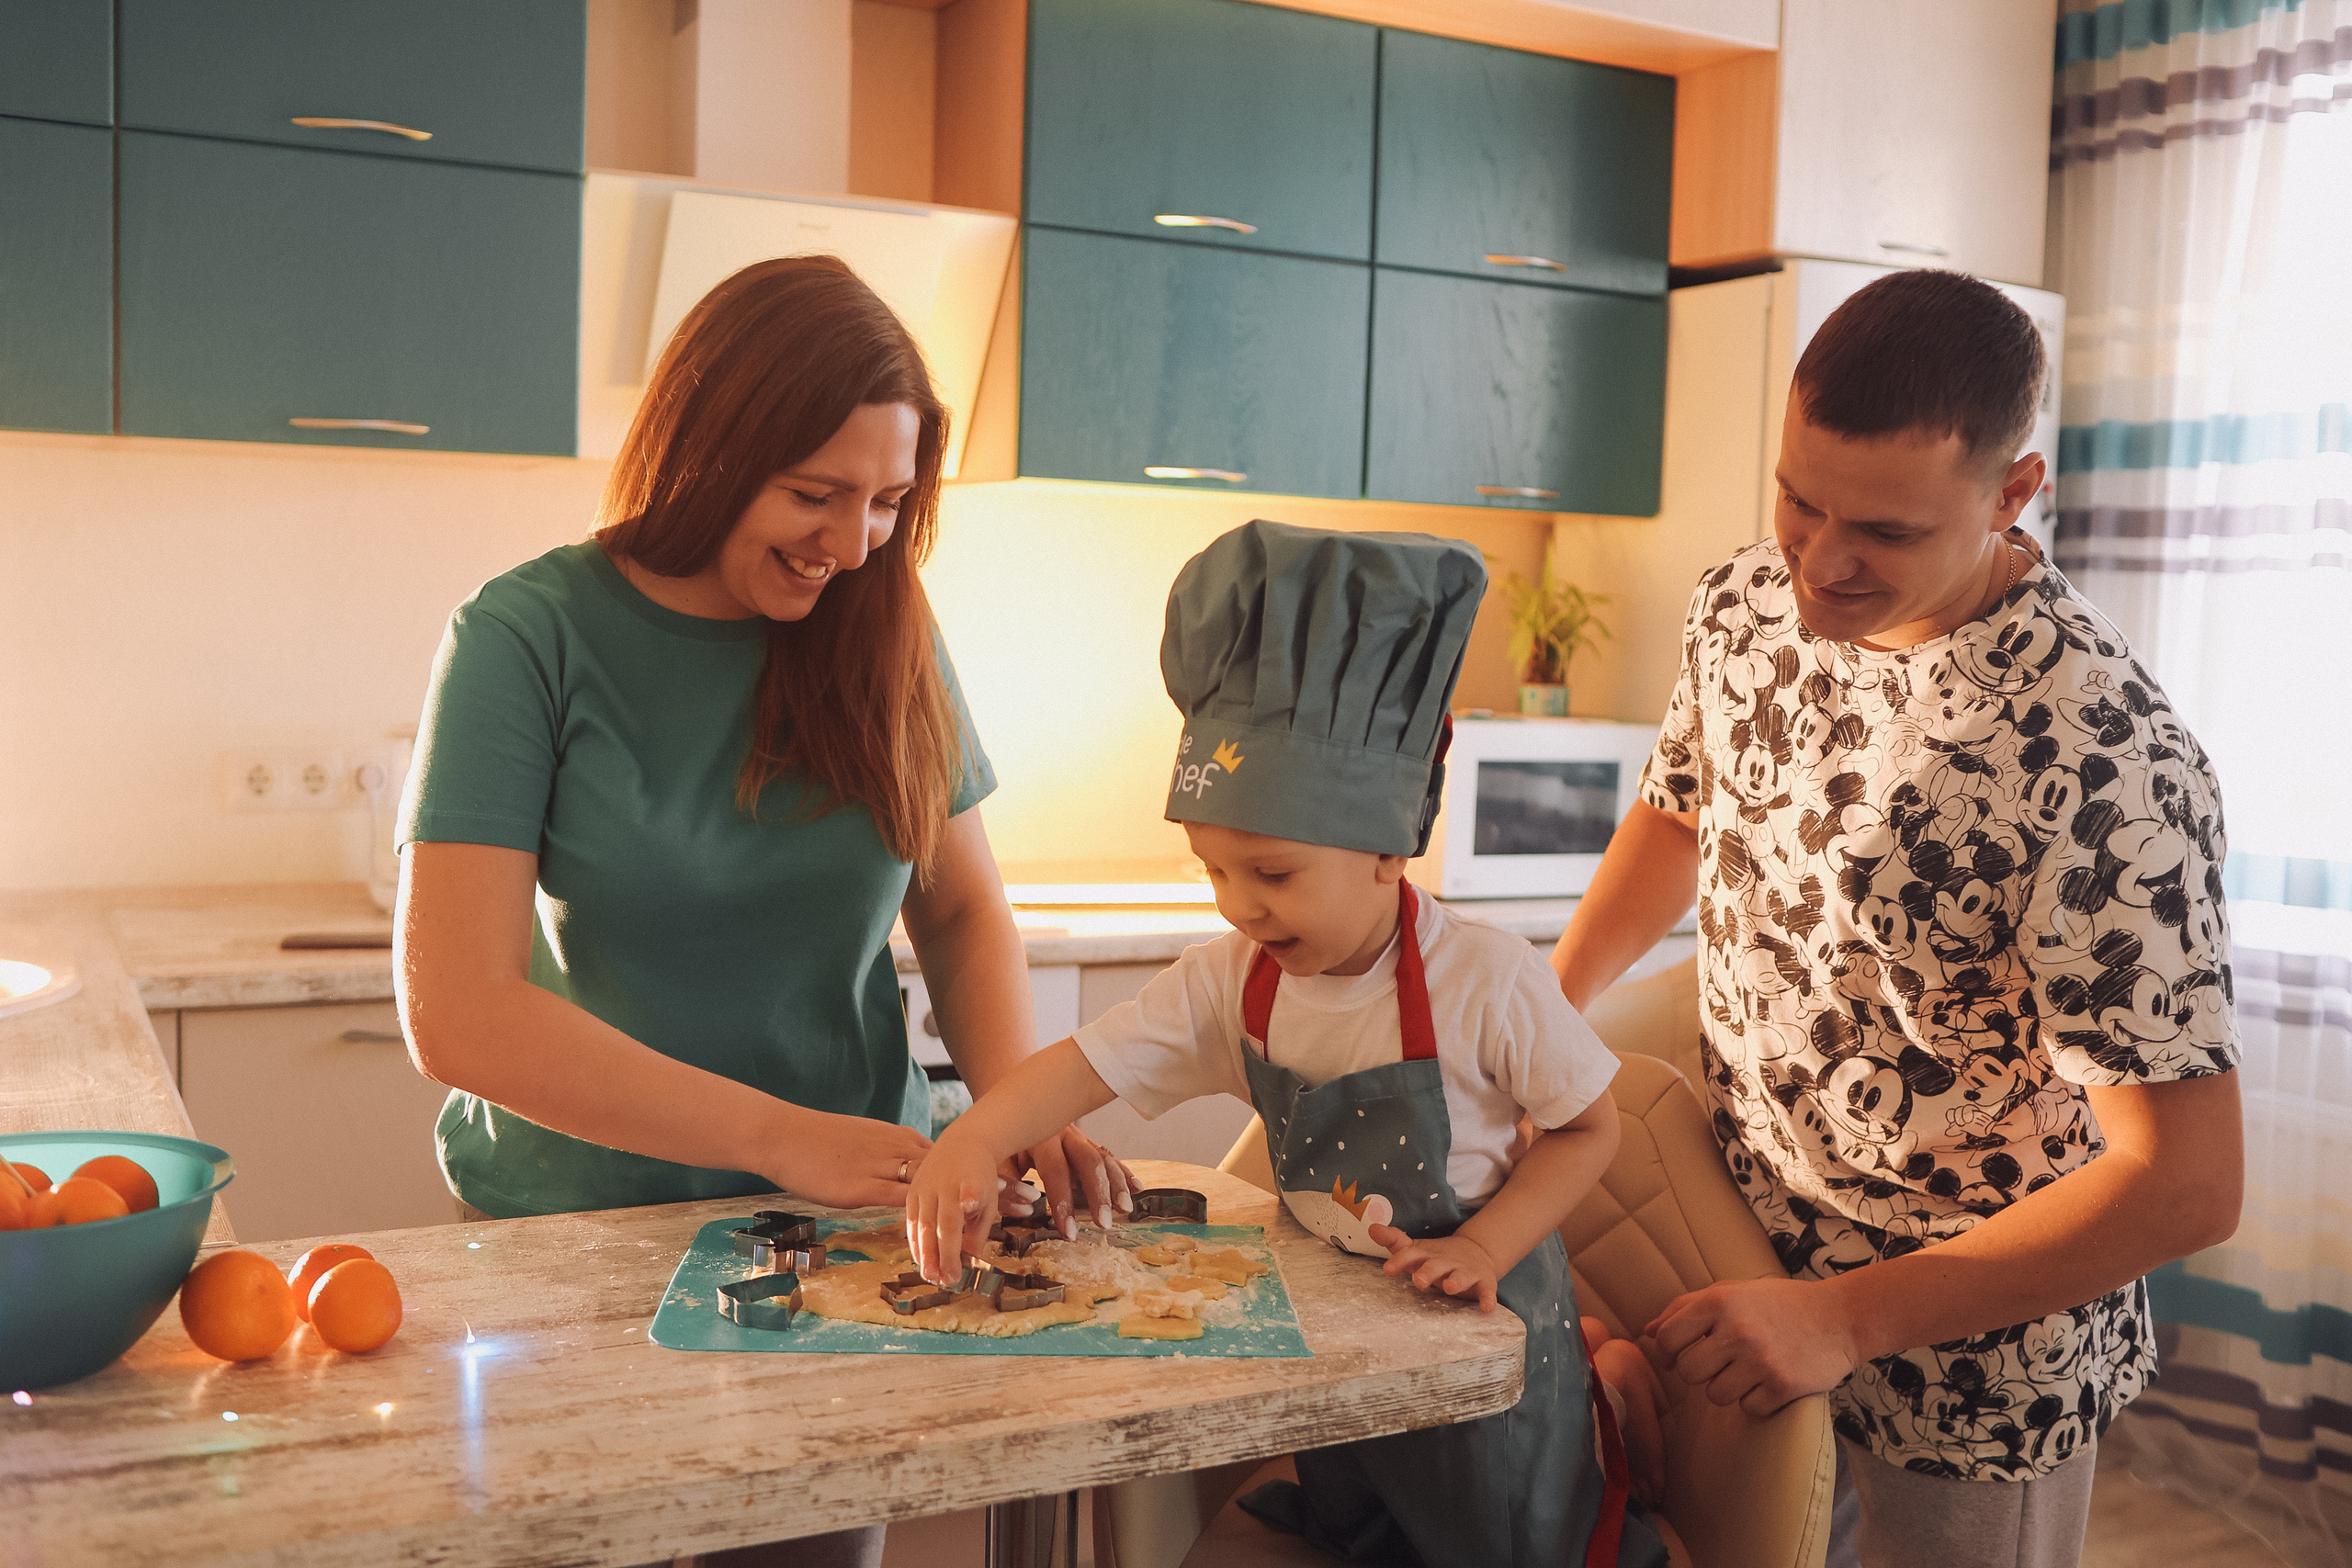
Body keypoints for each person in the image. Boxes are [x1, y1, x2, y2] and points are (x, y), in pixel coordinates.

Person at [394, 256, 1135, 1568]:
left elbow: (962, 908)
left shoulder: (885, 621)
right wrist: (780, 1137)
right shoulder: (524, 635)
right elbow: (458, 1013)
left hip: (852, 1237)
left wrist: (1015, 1105)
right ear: (709, 446)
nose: (851, 545)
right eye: (814, 494)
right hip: (577, 1236)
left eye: (888, 502)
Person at [1551, 269, 2244, 1568]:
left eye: (1882, 529)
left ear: (2012, 492)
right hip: (1733, 1247)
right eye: (1797, 499)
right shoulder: (1743, 603)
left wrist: (1849, 1319)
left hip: (1970, 1360)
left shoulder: (2105, 758)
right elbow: (1681, 812)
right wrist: (1543, 1010)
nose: (1820, 561)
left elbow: (2187, 1183)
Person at [908, 520, 1668, 1568]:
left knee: (1497, 1537)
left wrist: (1484, 1248)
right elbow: (1080, 1069)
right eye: (1212, 869)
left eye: (1270, 873)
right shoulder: (1235, 979)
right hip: (1340, 1339)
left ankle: (1602, 1401)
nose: (1239, 905)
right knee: (1361, 1520)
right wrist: (972, 1137)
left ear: (1388, 846)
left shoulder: (1487, 980)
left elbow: (1590, 1128)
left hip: (1477, 1338)